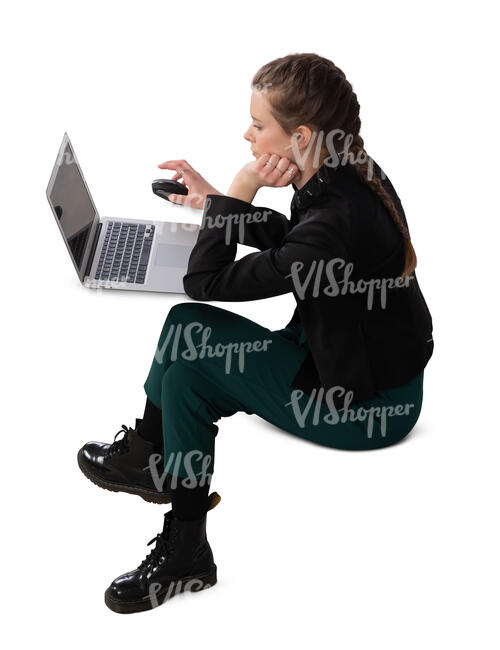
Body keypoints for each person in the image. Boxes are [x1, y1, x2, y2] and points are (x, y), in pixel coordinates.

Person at [78, 52, 434, 614]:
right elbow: (296, 239)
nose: (246, 135)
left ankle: (186, 549)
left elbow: (205, 281)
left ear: (302, 135)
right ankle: (150, 458)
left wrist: (240, 189)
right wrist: (215, 204)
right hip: (343, 359)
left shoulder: (335, 214)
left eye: (258, 125)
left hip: (365, 406)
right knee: (183, 330)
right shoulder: (343, 171)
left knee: (189, 370)